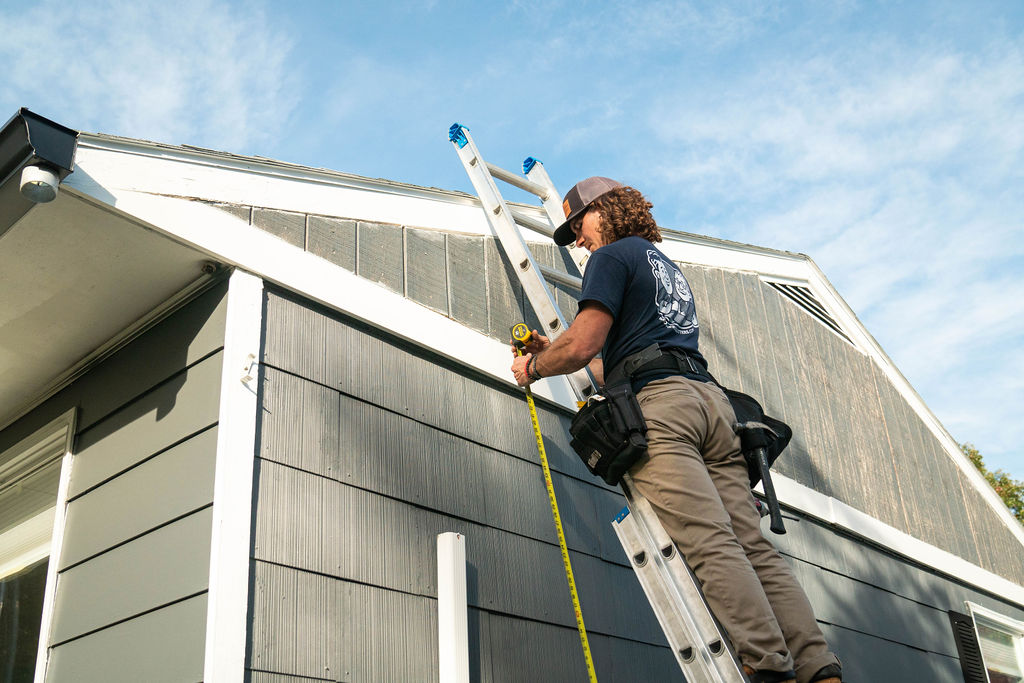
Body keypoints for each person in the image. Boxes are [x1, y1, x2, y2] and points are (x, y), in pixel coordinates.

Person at [510, 177, 842, 683]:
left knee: (711, 543)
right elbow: (611, 362)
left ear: (604, 211)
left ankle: (769, 667)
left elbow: (580, 346)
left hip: (665, 407)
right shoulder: (662, 265)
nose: (578, 239)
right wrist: (548, 350)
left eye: (579, 225)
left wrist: (534, 369)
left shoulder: (611, 257)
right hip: (711, 404)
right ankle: (819, 669)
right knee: (751, 546)